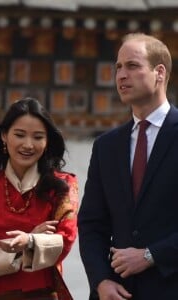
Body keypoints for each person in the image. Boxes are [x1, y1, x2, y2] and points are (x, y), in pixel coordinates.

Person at [78, 32, 178, 300]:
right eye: (118, 68)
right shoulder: (106, 146)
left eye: (132, 66)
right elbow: (91, 224)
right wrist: (100, 282)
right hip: (117, 292)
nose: (121, 75)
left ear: (159, 72)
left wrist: (151, 255)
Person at [0, 97, 78, 300]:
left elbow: (66, 238)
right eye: (19, 135)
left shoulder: (62, 185)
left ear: (47, 142)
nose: (28, 145)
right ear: (4, 136)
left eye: (38, 137)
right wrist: (24, 246)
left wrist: (28, 241)